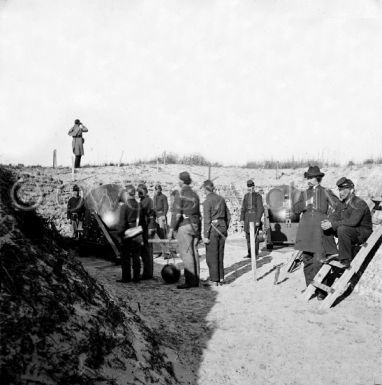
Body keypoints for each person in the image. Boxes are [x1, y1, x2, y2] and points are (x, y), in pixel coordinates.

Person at [293, 166, 339, 286]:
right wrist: (305, 204)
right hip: (306, 231)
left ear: (317, 178)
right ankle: (310, 287)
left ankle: (321, 290)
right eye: (307, 177)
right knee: (307, 259)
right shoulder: (304, 194)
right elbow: (295, 210)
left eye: (311, 177)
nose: (308, 179)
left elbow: (338, 208)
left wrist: (330, 221)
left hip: (320, 231)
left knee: (319, 260)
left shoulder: (325, 192)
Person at [321, 177, 373, 269]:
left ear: (351, 190)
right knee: (325, 227)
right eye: (340, 190)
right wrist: (328, 222)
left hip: (362, 233)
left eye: (344, 190)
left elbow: (352, 222)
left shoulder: (359, 203)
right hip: (350, 231)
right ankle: (332, 252)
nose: (340, 193)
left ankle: (345, 260)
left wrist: (332, 224)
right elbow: (335, 215)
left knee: (342, 229)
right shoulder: (342, 203)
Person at [168, 171, 201, 289]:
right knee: (194, 251)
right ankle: (196, 280)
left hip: (185, 225)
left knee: (186, 253)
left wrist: (171, 229)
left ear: (181, 181)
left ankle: (190, 281)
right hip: (196, 224)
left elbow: (177, 215)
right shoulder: (195, 194)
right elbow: (199, 214)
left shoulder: (180, 194)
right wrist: (199, 233)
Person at [202, 180, 231, 286]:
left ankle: (214, 280)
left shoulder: (207, 201)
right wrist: (224, 226)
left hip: (213, 229)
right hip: (222, 228)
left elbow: (207, 220)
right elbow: (229, 216)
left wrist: (205, 235)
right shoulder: (221, 199)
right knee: (220, 254)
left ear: (205, 189)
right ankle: (221, 277)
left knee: (212, 255)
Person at [117, 184, 142, 283]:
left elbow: (122, 223)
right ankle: (136, 277)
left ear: (127, 193)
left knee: (125, 257)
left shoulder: (125, 206)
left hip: (127, 233)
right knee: (136, 256)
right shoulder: (139, 205)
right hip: (138, 232)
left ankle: (126, 277)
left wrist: (119, 234)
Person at [240, 179, 264, 258]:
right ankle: (250, 253)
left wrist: (258, 220)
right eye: (249, 189)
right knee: (247, 236)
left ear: (254, 187)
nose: (250, 190)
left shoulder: (258, 196)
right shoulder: (246, 196)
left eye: (252, 188)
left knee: (254, 236)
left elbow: (260, 209)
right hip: (247, 218)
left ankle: (255, 253)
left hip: (254, 217)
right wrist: (242, 219)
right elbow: (243, 208)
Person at [137, 183, 156, 279]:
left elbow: (143, 212)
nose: (139, 194)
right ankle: (147, 273)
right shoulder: (145, 200)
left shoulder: (147, 201)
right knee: (147, 251)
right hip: (147, 228)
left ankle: (148, 274)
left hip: (148, 229)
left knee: (147, 252)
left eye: (140, 192)